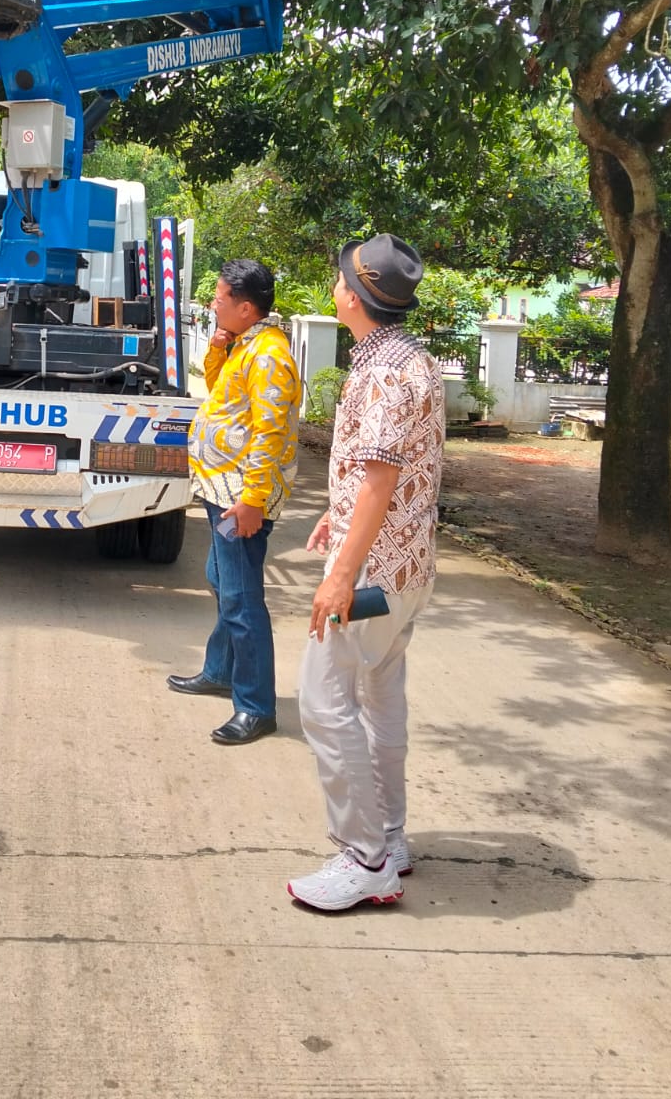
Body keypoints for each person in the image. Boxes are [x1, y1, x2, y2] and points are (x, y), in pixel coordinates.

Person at [287, 234, 445, 913]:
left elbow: (380, 480)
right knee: (381, 703)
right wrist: (336, 511)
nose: (334, 282)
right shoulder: (413, 360)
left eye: (339, 277)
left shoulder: (381, 372)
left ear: (353, 296)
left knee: (323, 704)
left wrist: (339, 575)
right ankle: (392, 838)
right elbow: (381, 472)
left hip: (373, 578)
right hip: (408, 572)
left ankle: (365, 858)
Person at [167, 258, 301, 744]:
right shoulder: (245, 344)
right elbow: (219, 387)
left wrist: (253, 500)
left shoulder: (268, 356)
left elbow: (269, 433)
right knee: (219, 579)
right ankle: (221, 669)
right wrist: (219, 346)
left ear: (246, 308)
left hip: (240, 497)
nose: (212, 304)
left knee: (242, 598)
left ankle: (256, 705)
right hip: (222, 489)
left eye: (220, 299)